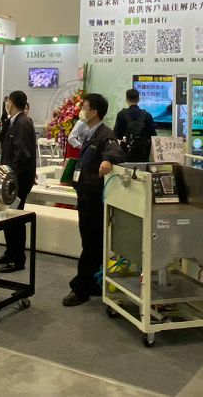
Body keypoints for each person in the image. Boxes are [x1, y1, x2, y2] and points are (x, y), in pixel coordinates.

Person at [63, 93, 125, 306]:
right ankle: (93, 283)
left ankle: (80, 288)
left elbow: (115, 152)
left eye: (85, 107)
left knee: (90, 244)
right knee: (92, 243)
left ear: (94, 112)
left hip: (94, 198)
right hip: (85, 195)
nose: (81, 110)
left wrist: (108, 161)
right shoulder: (90, 133)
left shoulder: (105, 135)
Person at [0, 90, 37, 273]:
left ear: (11, 103)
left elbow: (22, 155)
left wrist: (12, 179)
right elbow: (3, 140)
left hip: (17, 180)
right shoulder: (13, 122)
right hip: (9, 179)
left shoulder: (23, 123)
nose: (6, 104)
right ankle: (10, 251)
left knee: (15, 218)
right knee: (9, 216)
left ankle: (18, 258)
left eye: (8, 101)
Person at [113, 88, 156, 163]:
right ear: (138, 99)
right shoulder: (147, 115)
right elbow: (153, 136)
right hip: (143, 153)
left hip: (126, 153)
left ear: (127, 99)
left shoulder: (121, 114)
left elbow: (116, 135)